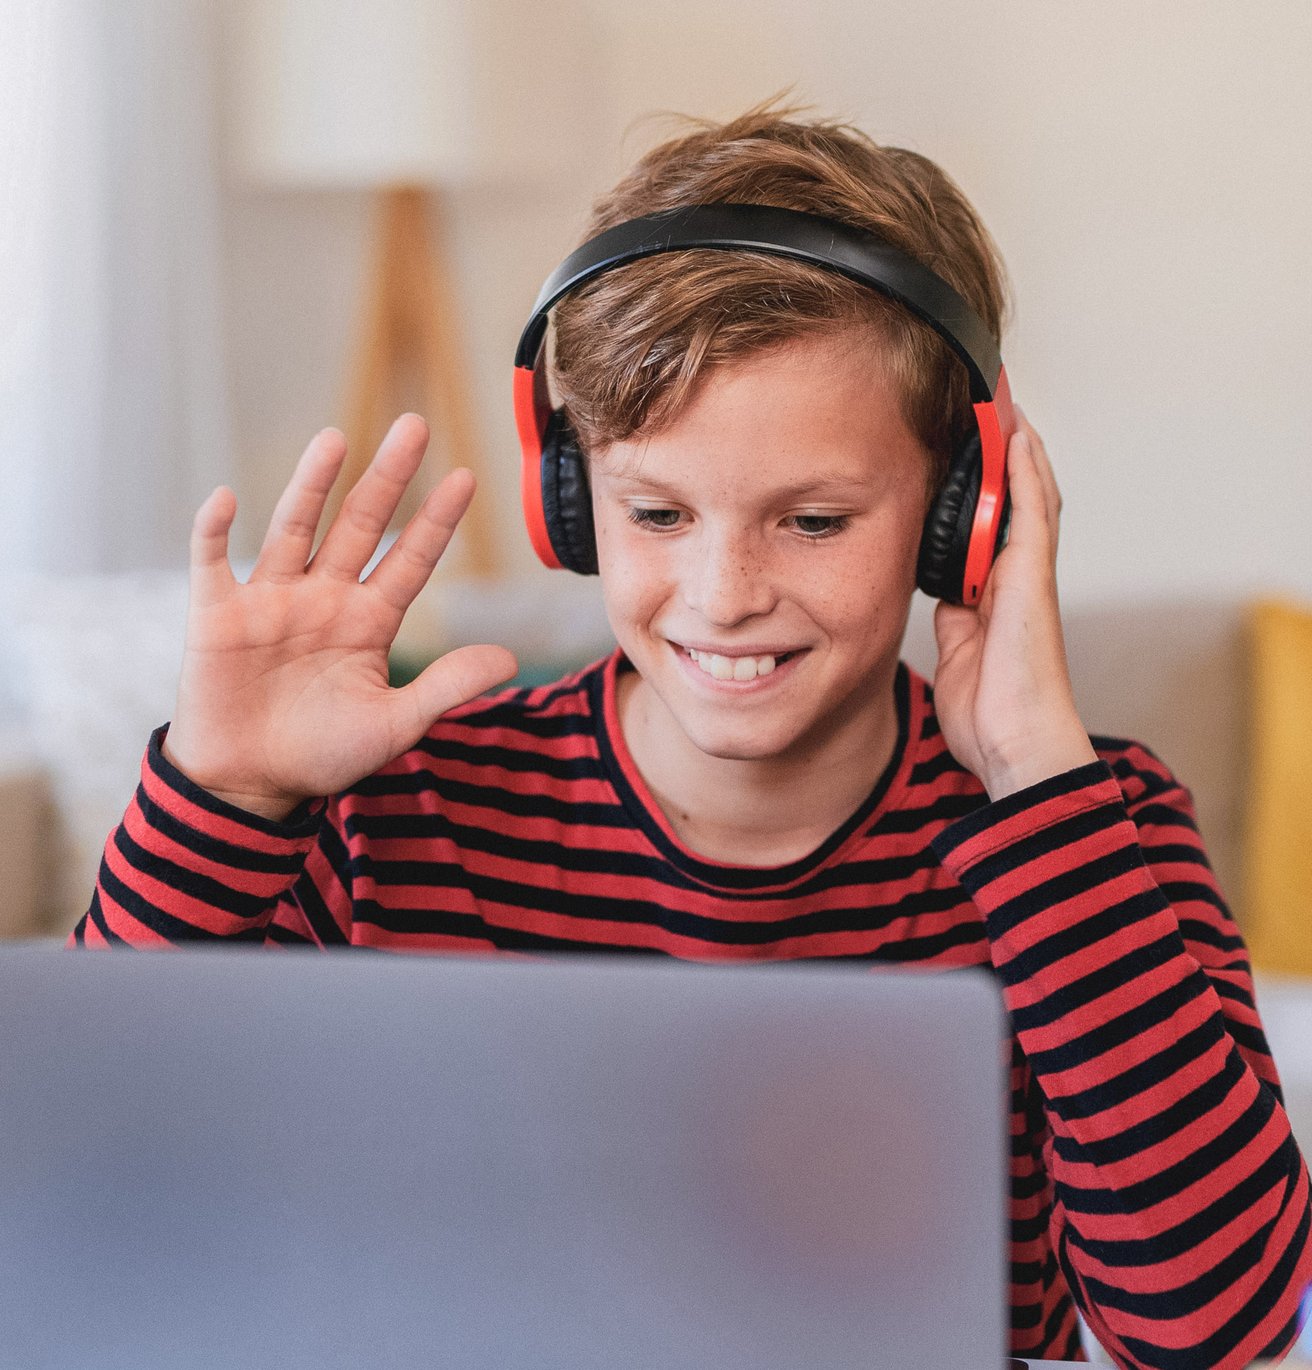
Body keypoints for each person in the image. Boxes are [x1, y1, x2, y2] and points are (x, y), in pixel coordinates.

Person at [72, 101, 1311, 1367]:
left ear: (962, 514)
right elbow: (90, 1202)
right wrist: (219, 796)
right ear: (571, 497)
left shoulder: (1090, 831)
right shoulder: (400, 815)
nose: (723, 593)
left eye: (814, 520)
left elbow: (1214, 1327)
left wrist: (1034, 781)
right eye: (656, 511)